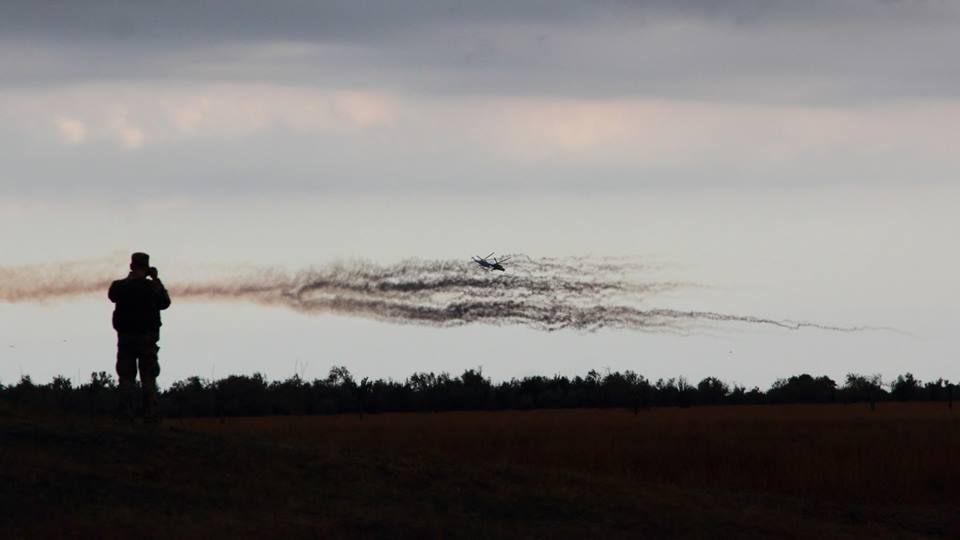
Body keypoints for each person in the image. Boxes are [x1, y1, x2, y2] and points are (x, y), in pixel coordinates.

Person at [108, 252, 171, 423]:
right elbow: (165, 302)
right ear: (147, 268)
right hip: (147, 340)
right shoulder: (152, 287)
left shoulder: (120, 286)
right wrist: (156, 279)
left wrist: (130, 280)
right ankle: (150, 416)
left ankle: (125, 416)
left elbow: (112, 295)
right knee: (148, 378)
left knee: (126, 378)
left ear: (131, 266)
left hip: (126, 339)